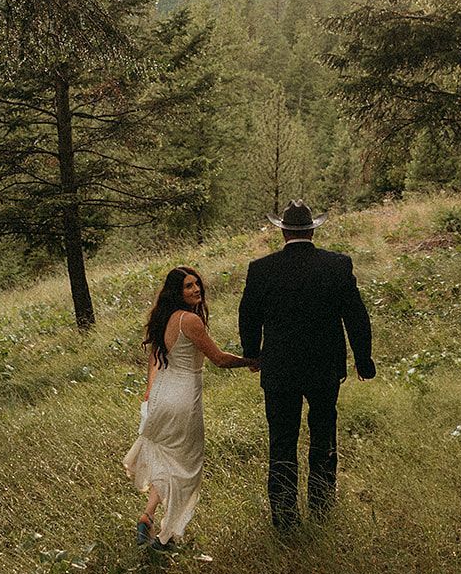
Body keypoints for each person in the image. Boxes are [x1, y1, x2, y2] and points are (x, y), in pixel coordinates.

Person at [238, 200, 374, 532]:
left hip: (280, 369)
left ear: (283, 231)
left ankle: (285, 519)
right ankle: (321, 508)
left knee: (282, 441)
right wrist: (363, 359)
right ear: (312, 230)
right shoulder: (336, 265)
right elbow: (356, 316)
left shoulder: (261, 269)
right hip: (324, 367)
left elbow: (248, 316)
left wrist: (253, 354)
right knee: (323, 435)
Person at [124, 266, 255, 548]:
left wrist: (149, 393)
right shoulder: (189, 320)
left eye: (197, 284)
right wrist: (252, 361)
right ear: (177, 292)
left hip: (161, 395)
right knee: (187, 469)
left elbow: (154, 359)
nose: (196, 289)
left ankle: (148, 516)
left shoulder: (163, 318)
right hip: (183, 399)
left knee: (169, 460)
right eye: (188, 286)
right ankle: (166, 535)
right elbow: (219, 359)